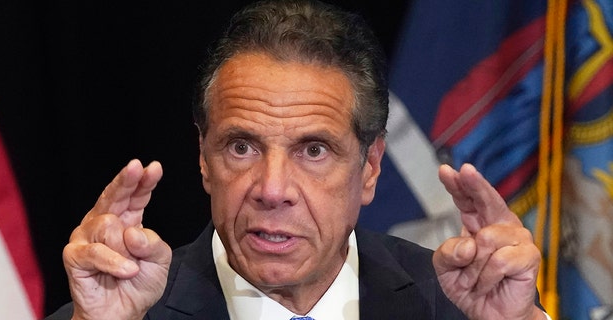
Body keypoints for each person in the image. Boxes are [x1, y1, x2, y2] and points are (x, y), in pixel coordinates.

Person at [47, 0, 547, 319]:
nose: (271, 188)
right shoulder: (116, 313)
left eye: (313, 150)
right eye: (242, 147)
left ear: (370, 167)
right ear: (203, 158)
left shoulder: (456, 306)